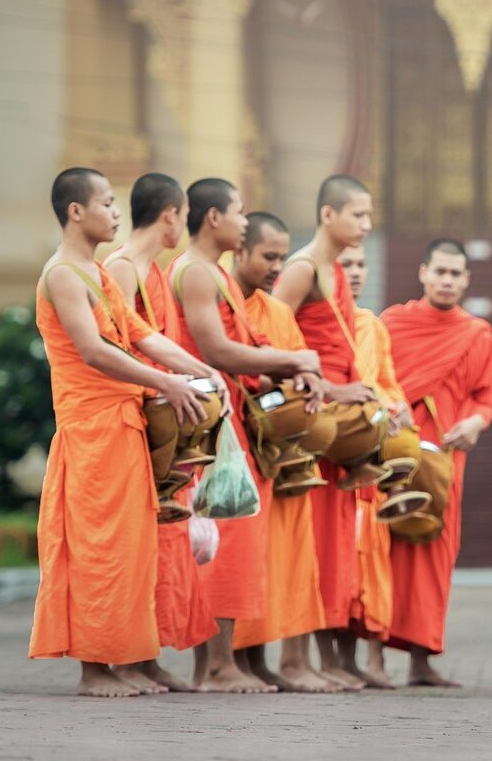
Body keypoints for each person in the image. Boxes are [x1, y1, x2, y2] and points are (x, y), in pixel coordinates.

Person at [29, 167, 227, 697]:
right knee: (97, 547)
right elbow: (95, 351)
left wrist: (204, 373)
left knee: (134, 550)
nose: (117, 213)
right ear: (76, 211)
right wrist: (167, 382)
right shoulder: (63, 275)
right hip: (91, 428)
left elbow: (143, 336)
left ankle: (134, 658)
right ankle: (94, 670)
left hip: (124, 422)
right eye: (108, 203)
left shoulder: (94, 271)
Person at [167, 177, 321, 693]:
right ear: (214, 218)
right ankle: (215, 667)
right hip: (211, 431)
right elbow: (217, 350)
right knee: (222, 542)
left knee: (231, 543)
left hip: (231, 424)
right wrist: (294, 358)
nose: (242, 220)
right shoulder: (194, 272)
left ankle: (218, 663)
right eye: (238, 212)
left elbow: (241, 351)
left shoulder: (215, 275)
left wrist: (288, 375)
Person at [103, 172, 218, 693]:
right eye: (183, 214)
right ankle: (122, 660)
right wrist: (168, 384)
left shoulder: (155, 270)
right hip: (129, 418)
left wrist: (199, 375)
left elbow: (153, 339)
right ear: (172, 214)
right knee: (130, 548)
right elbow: (119, 348)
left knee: (161, 550)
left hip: (159, 417)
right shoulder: (122, 268)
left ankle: (146, 656)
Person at [227, 211, 343, 693]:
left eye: (282, 256)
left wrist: (310, 383)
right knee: (244, 555)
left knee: (293, 558)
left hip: (285, 452)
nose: (278, 266)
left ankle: (285, 661)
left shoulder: (274, 310)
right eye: (269, 256)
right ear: (239, 250)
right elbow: (221, 357)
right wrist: (284, 372)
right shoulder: (223, 299)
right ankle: (243, 661)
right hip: (240, 444)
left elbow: (299, 358)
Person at [273, 174, 378, 691]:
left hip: (336, 430)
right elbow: (269, 339)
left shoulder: (334, 271)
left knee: (328, 548)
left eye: (368, 214)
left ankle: (310, 658)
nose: (367, 224)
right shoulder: (301, 268)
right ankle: (291, 661)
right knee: (302, 544)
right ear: (327, 215)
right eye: (358, 214)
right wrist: (332, 392)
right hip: (309, 422)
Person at [381, 239, 492, 687]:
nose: (447, 281)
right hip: (396, 452)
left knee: (436, 552)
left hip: (446, 459)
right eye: (440, 272)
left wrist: (475, 424)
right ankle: (373, 658)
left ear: (467, 279)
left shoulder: (478, 334)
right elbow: (374, 378)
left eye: (456, 274)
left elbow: (485, 397)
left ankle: (420, 660)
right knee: (385, 546)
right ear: (423, 272)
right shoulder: (393, 323)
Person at [338, 243, 410, 690]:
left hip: (373, 462)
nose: (356, 272)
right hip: (337, 459)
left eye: (362, 264)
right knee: (341, 563)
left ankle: (376, 660)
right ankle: (341, 660)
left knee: (376, 564)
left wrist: (396, 404)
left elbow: (386, 381)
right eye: (346, 265)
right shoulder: (315, 319)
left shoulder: (372, 325)